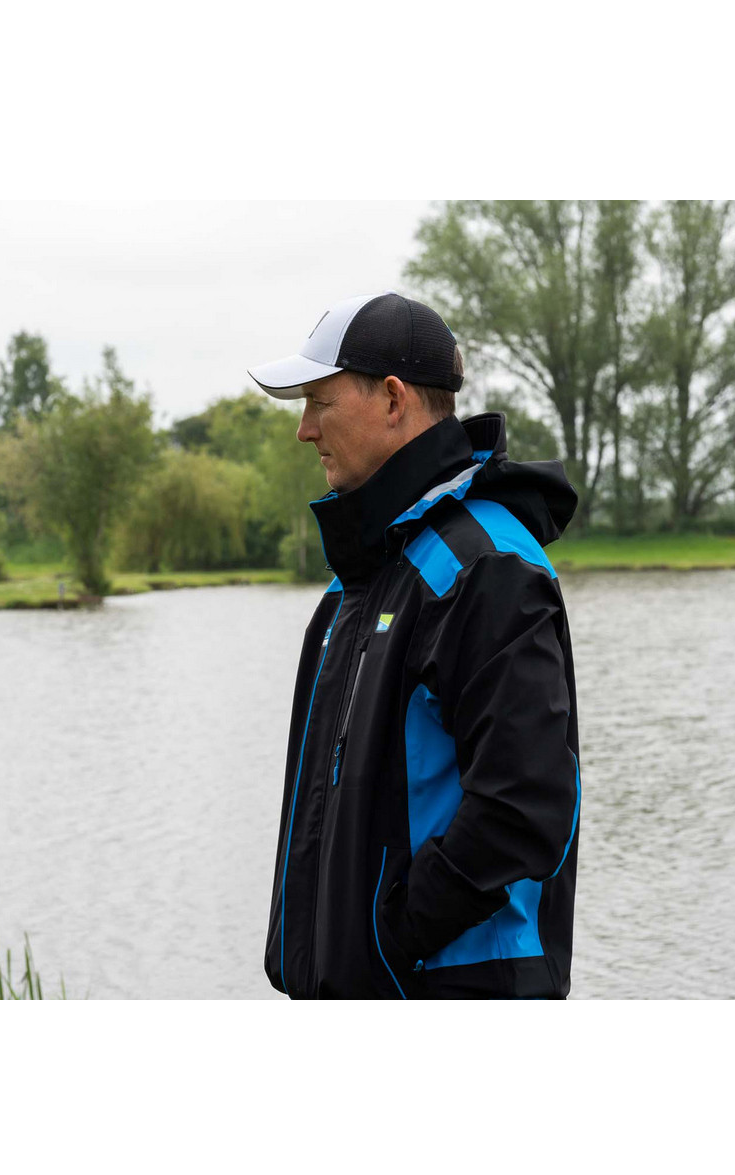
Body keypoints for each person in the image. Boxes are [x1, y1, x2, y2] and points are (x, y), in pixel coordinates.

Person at [248, 292, 581, 999]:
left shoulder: (485, 568)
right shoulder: (358, 583)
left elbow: (524, 809)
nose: (304, 430)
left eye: (320, 403)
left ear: (393, 400)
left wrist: (386, 940)